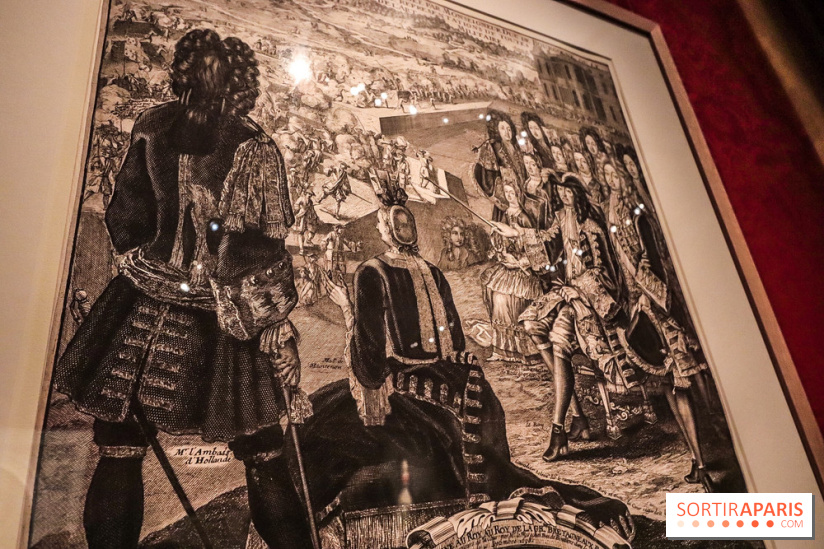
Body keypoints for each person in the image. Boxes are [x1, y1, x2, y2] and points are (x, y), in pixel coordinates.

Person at [51, 30, 314, 549]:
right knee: (260, 450)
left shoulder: (154, 125)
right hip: (218, 312)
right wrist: (276, 324)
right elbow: (262, 249)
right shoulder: (253, 145)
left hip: (148, 303)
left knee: (125, 444)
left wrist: (148, 261)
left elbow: (125, 218)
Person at [271, 185, 635, 545]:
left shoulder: (372, 270)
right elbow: (455, 342)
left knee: (315, 426)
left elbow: (369, 361)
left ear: (384, 230)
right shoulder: (432, 270)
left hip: (410, 387)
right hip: (461, 384)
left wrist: (346, 309)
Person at [603, 161, 715, 491]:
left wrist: (647, 294)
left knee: (683, 385)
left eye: (615, 175)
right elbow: (623, 271)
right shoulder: (614, 221)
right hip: (640, 311)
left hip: (660, 309)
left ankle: (705, 460)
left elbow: (655, 262)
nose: (612, 181)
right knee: (668, 387)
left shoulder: (639, 217)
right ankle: (695, 458)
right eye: (607, 176)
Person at [519, 174, 642, 461]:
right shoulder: (561, 219)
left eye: (569, 192)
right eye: (561, 192)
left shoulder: (591, 227)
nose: (564, 196)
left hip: (590, 301)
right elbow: (546, 245)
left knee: (559, 340)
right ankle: (577, 415)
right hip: (566, 293)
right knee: (531, 324)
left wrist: (578, 291)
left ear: (578, 194)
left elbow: (606, 274)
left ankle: (558, 430)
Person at [480, 183, 542, 363]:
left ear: (519, 193)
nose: (509, 196)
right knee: (497, 298)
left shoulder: (525, 217)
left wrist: (519, 260)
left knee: (511, 302)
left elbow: (535, 249)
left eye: (512, 192)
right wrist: (501, 249)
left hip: (524, 271)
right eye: (506, 192)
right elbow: (501, 245)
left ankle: (524, 352)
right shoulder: (505, 215)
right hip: (508, 269)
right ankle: (502, 350)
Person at [293, 187, 321, 255]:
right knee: (301, 233)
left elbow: (312, 209)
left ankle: (308, 240)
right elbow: (296, 205)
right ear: (306, 193)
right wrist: (299, 209)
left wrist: (316, 217)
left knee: (313, 229)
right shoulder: (301, 198)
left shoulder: (310, 201)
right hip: (302, 217)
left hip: (309, 217)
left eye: (311, 195)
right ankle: (301, 249)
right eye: (309, 194)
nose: (310, 196)